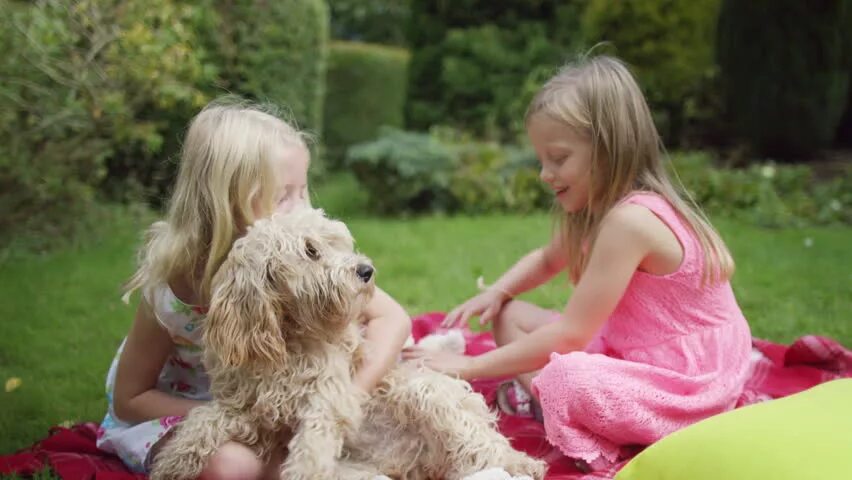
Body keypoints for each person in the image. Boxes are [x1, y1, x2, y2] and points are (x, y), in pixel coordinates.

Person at [403, 55, 752, 470]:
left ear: (607, 150)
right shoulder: (598, 210)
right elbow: (548, 258)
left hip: (692, 381)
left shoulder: (631, 221)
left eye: (559, 158)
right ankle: (555, 404)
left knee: (569, 377)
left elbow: (570, 335)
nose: (544, 174)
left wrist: (468, 366)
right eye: (542, 160)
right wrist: (498, 291)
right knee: (508, 314)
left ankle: (564, 409)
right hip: (636, 350)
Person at [97, 99, 411, 478]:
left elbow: (392, 317)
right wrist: (239, 419)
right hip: (204, 414)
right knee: (233, 466)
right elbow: (130, 399)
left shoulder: (303, 261)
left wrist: (344, 402)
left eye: (304, 189)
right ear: (228, 203)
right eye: (284, 196)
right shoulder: (178, 286)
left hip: (292, 406)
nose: (303, 207)